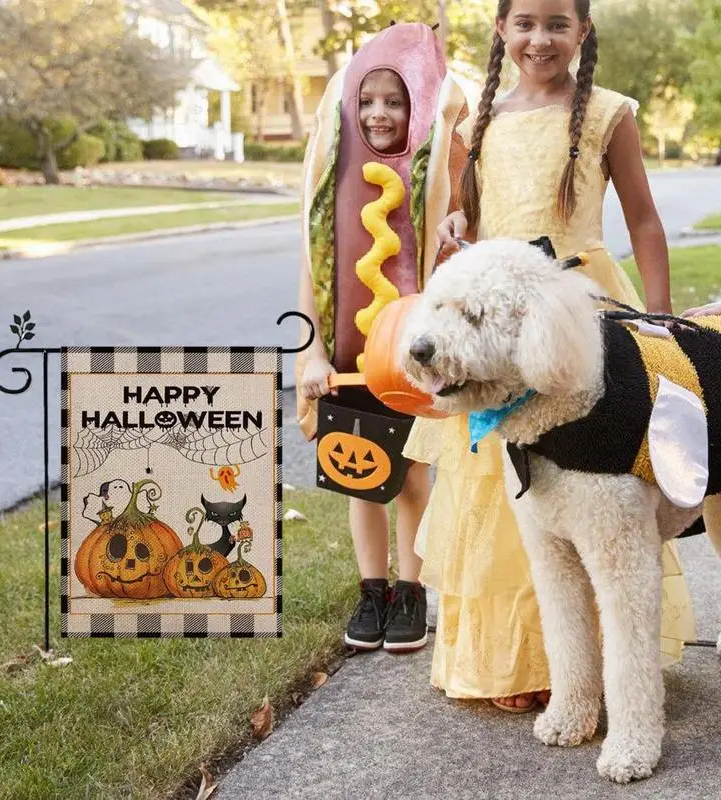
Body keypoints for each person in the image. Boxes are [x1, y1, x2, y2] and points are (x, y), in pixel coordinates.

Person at [404, 0, 696, 711]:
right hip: (495, 324)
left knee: (600, 488)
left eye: (557, 23)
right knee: (503, 505)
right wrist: (458, 221)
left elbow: (645, 220)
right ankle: (522, 667)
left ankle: (608, 663)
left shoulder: (609, 114)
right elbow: (471, 215)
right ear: (501, 30)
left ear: (582, 32)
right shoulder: (473, 123)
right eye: (525, 22)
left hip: (581, 311)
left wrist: (659, 317)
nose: (541, 38)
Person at [296, 23, 469, 654]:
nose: (378, 113)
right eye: (366, 101)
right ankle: (373, 590)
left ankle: (412, 589)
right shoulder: (332, 177)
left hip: (408, 357)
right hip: (345, 356)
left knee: (412, 475)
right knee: (356, 473)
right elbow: (310, 271)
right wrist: (312, 352)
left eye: (395, 101)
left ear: (415, 107)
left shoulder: (431, 174)